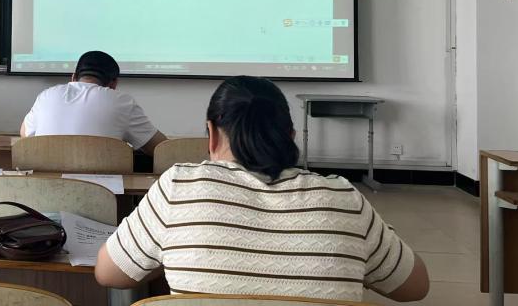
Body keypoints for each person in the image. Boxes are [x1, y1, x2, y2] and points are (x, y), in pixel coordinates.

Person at [94, 76, 429, 302]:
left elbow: (109, 273)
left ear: (211, 134)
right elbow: (415, 287)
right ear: (290, 137)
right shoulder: (342, 198)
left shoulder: (179, 187)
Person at [19, 50, 167, 155]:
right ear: (113, 84)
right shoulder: (122, 102)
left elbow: (25, 134)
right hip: (102, 189)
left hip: (44, 185)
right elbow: (161, 149)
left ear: (73, 77)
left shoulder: (47, 95)